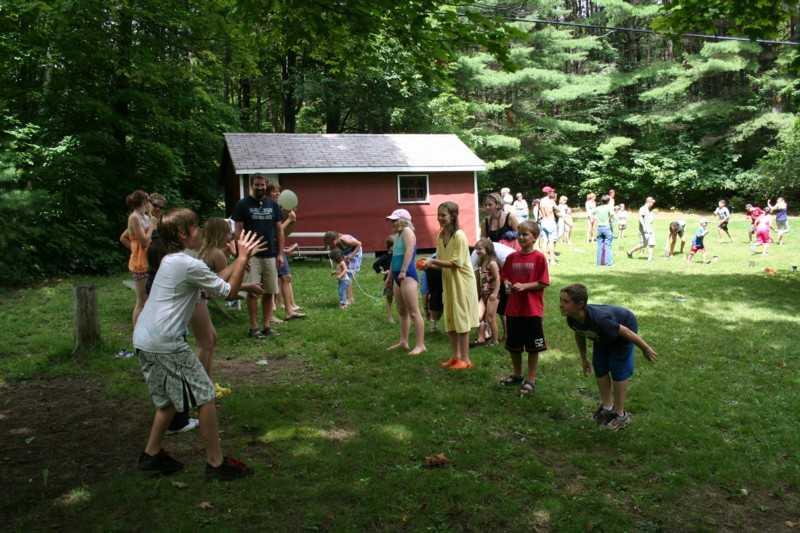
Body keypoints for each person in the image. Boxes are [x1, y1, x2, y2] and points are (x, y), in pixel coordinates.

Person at [134, 208, 264, 480]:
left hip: (145, 339)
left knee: (168, 401)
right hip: (166, 342)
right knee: (205, 395)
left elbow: (210, 285)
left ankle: (151, 455)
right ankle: (216, 464)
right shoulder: (186, 264)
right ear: (183, 234)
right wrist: (242, 258)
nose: (201, 231)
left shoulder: (173, 260)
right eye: (195, 227)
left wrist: (241, 268)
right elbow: (227, 293)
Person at [559, 283, 657, 431]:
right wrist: (584, 358)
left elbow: (625, 331)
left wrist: (645, 348)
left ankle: (620, 414)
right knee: (600, 366)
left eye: (566, 301)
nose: (561, 305)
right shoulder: (571, 317)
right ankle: (607, 407)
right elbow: (579, 333)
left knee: (618, 369)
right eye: (561, 300)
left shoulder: (600, 320)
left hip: (623, 329)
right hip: (603, 336)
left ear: (580, 304)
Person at [427, 202, 480, 370]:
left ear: (453, 216)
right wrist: (428, 265)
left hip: (462, 283)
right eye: (439, 215)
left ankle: (465, 359)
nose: (440, 218)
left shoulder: (459, 236)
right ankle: (455, 357)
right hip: (448, 282)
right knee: (450, 318)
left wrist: (432, 262)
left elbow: (456, 263)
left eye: (443, 215)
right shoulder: (440, 236)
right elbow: (442, 262)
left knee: (461, 319)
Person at [499, 221, 550, 394]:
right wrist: (506, 283)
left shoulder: (539, 258)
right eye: (519, 234)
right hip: (513, 309)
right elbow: (505, 275)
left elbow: (543, 282)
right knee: (514, 345)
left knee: (533, 346)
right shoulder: (511, 258)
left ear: (534, 238)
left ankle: (531, 379)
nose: (520, 237)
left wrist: (524, 286)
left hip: (532, 310)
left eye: (525, 234)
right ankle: (517, 374)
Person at [232, 176, 285, 339]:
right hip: (251, 255)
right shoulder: (243, 204)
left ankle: (267, 326)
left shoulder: (273, 205)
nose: (260, 187)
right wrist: (241, 255)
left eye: (262, 185)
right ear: (251, 185)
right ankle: (254, 327)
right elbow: (238, 230)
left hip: (270, 254)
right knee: (253, 292)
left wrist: (280, 253)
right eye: (257, 185)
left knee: (269, 291)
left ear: (266, 185)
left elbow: (279, 230)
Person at [385, 209, 426, 355]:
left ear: (404, 221)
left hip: (407, 275)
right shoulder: (397, 235)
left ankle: (420, 345)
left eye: (395, 220)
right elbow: (394, 257)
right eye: (391, 221)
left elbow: (409, 251)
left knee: (414, 312)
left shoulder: (407, 232)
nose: (392, 223)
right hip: (397, 276)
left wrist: (403, 271)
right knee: (402, 311)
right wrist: (390, 277)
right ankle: (403, 341)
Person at [124, 190, 154, 327]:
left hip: (149, 260)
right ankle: (137, 332)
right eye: (148, 200)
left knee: (148, 299)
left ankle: (146, 329)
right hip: (140, 263)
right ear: (143, 201)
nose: (150, 203)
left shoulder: (145, 216)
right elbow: (144, 242)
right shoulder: (134, 217)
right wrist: (152, 225)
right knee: (141, 300)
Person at [473, 238, 501, 347]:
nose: (477, 251)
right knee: (478, 316)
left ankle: (495, 340)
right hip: (484, 293)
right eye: (476, 249)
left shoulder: (492, 263)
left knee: (490, 317)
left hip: (492, 293)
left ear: (487, 249)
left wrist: (495, 293)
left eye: (480, 249)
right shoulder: (481, 262)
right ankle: (485, 335)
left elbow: (498, 278)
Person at [323, 231, 363, 306]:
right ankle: (349, 298)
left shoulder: (344, 240)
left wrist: (351, 256)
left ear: (334, 240)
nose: (330, 246)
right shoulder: (334, 243)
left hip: (356, 252)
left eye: (330, 244)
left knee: (348, 276)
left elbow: (359, 244)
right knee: (345, 275)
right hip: (347, 252)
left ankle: (350, 299)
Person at [372, 236, 396, 323]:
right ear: (390, 247)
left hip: (398, 279)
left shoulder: (398, 256)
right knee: (389, 298)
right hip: (389, 280)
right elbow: (375, 265)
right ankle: (389, 316)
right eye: (395, 246)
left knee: (400, 298)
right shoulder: (385, 257)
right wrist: (383, 271)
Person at [626, 197, 656, 261]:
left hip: (649, 228)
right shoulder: (643, 208)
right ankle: (630, 252)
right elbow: (640, 218)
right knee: (644, 244)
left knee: (650, 243)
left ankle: (649, 258)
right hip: (644, 229)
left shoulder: (648, 209)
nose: (653, 204)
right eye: (652, 203)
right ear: (649, 202)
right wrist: (644, 227)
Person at [538, 186, 558, 264]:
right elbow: (557, 209)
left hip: (543, 222)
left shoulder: (541, 201)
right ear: (548, 193)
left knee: (545, 241)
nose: (553, 193)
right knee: (551, 241)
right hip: (550, 221)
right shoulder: (551, 201)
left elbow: (540, 211)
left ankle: (545, 260)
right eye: (551, 192)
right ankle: (552, 260)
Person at [594, 194, 615, 266]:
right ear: (608, 201)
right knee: (608, 245)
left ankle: (599, 262)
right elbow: (612, 215)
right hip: (607, 227)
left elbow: (591, 213)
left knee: (599, 246)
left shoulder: (598, 208)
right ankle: (609, 263)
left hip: (599, 228)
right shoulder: (609, 207)